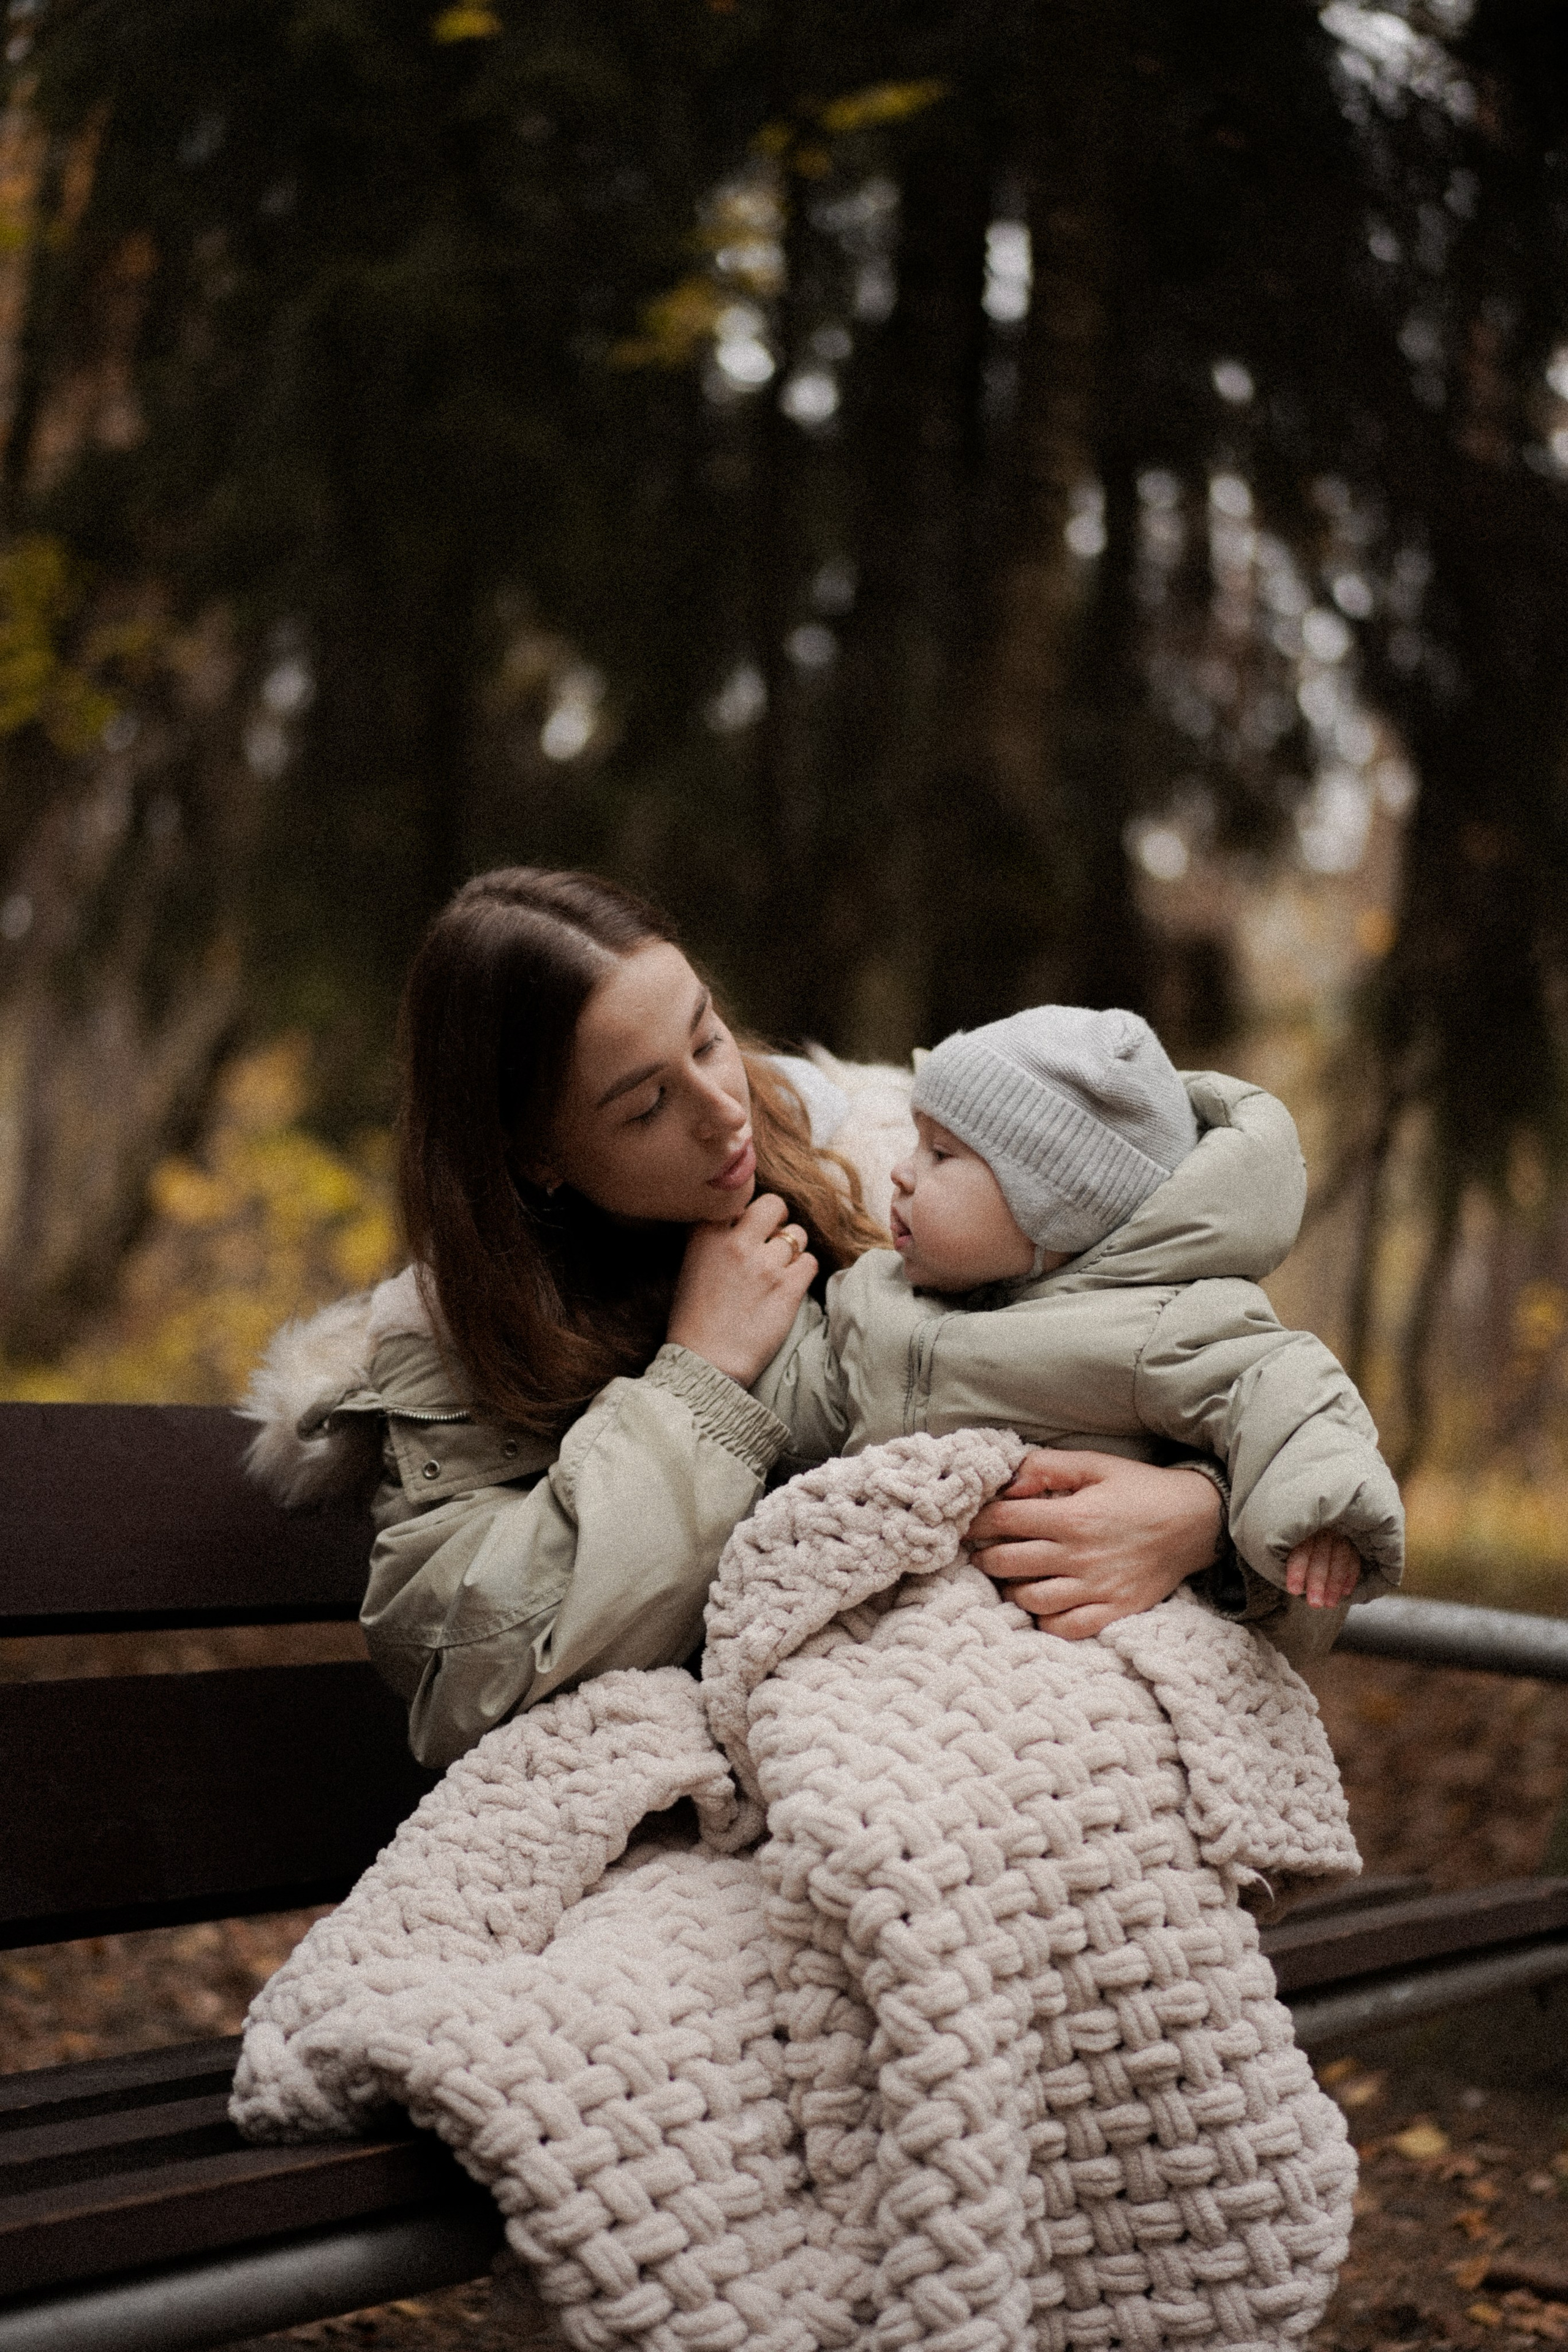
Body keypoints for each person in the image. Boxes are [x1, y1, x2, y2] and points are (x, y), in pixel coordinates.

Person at [244, 869, 1280, 1768]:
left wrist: (1200, 1519)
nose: (724, 1108)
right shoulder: (454, 1351)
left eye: (708, 1037)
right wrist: (700, 1379)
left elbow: (1214, 1361)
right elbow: (463, 1677)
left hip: (997, 1734)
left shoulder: (892, 1170)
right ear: (533, 1156)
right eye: (646, 1106)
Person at [752, 1001, 1403, 1616]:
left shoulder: (1157, 1320)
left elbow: (1286, 1391)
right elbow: (798, 1402)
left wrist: (1326, 1512)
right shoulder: (877, 1296)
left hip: (1061, 1621)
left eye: (940, 1154)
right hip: (886, 1598)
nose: (900, 1171)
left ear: (1054, 1210)